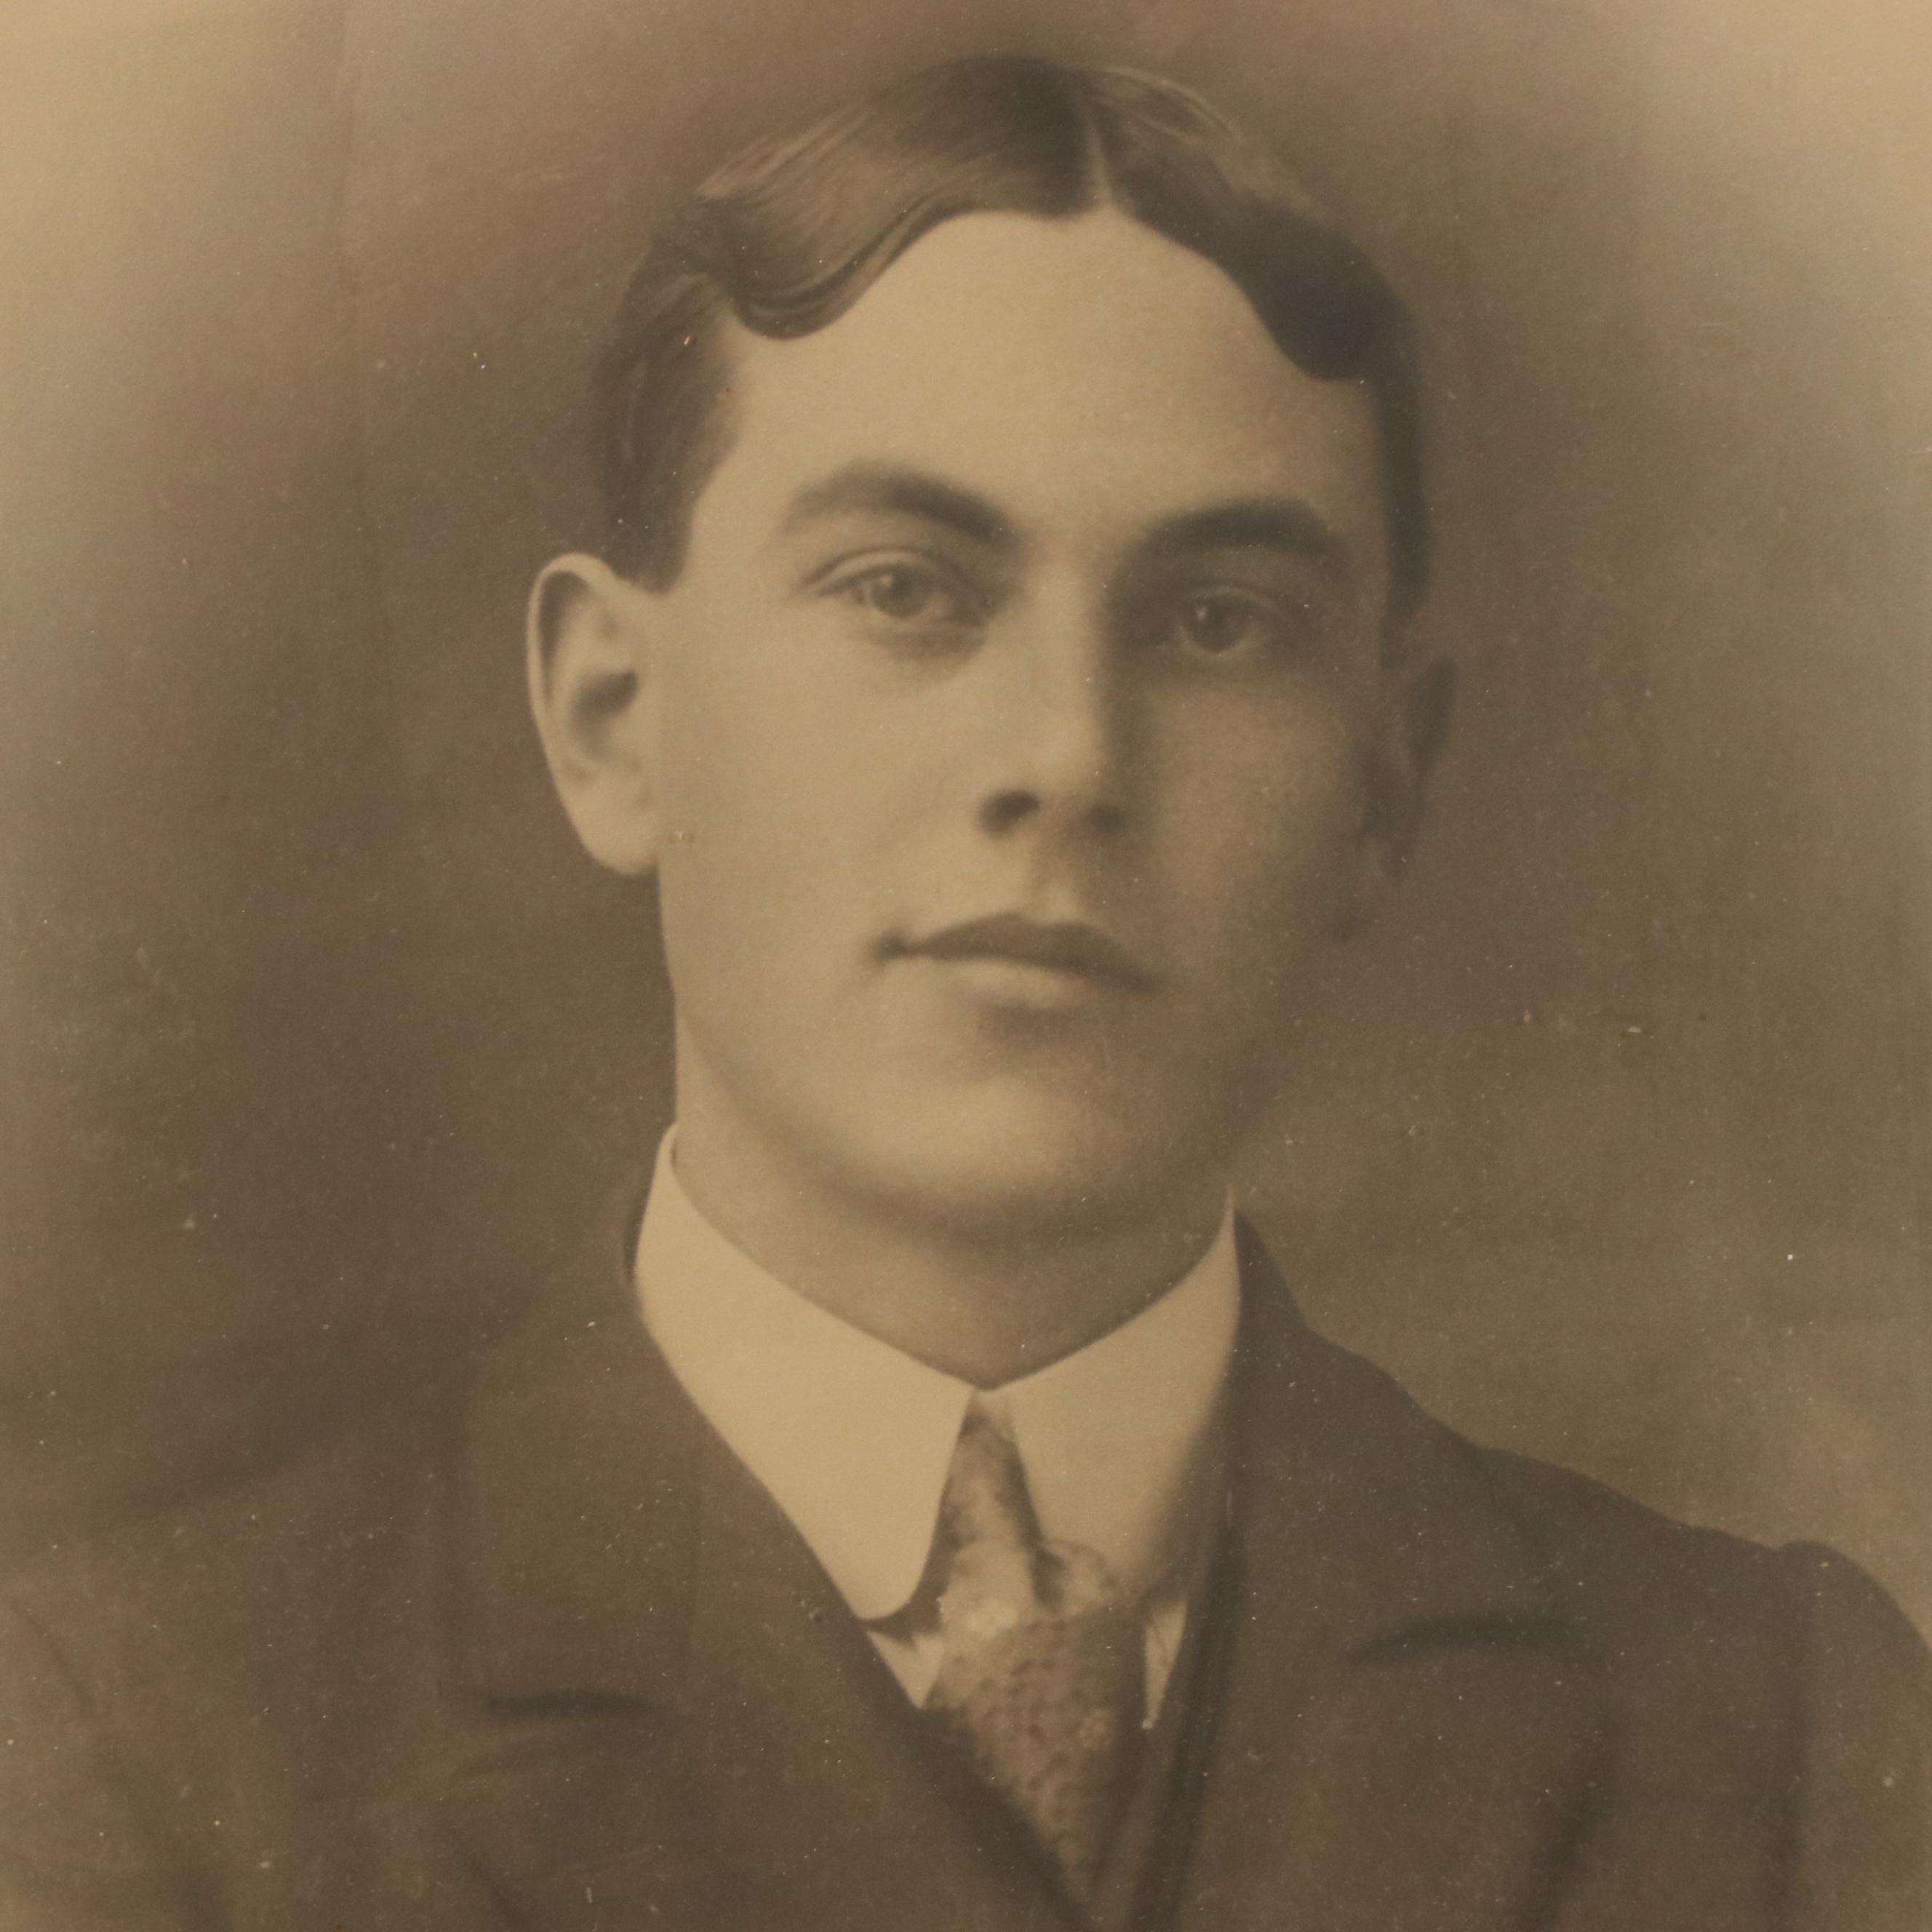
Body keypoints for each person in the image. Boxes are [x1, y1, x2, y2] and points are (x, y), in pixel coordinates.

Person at [2, 52, 1925, 1932]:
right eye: (907, 588)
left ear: (1382, 785)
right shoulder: (130, 1725)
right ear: (613, 717)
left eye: (1216, 621)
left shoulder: (1780, 1731)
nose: (1069, 756)